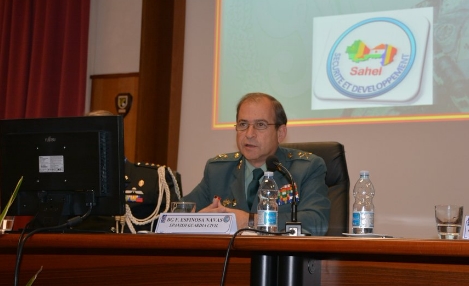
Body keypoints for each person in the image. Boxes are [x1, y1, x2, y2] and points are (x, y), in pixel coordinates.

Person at [183, 93, 330, 235]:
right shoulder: (218, 170)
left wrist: (251, 221)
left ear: (280, 133)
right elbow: (178, 216)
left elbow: (317, 223)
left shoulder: (305, 168)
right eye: (243, 124)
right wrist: (199, 219)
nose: (249, 134)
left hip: (280, 259)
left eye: (260, 125)